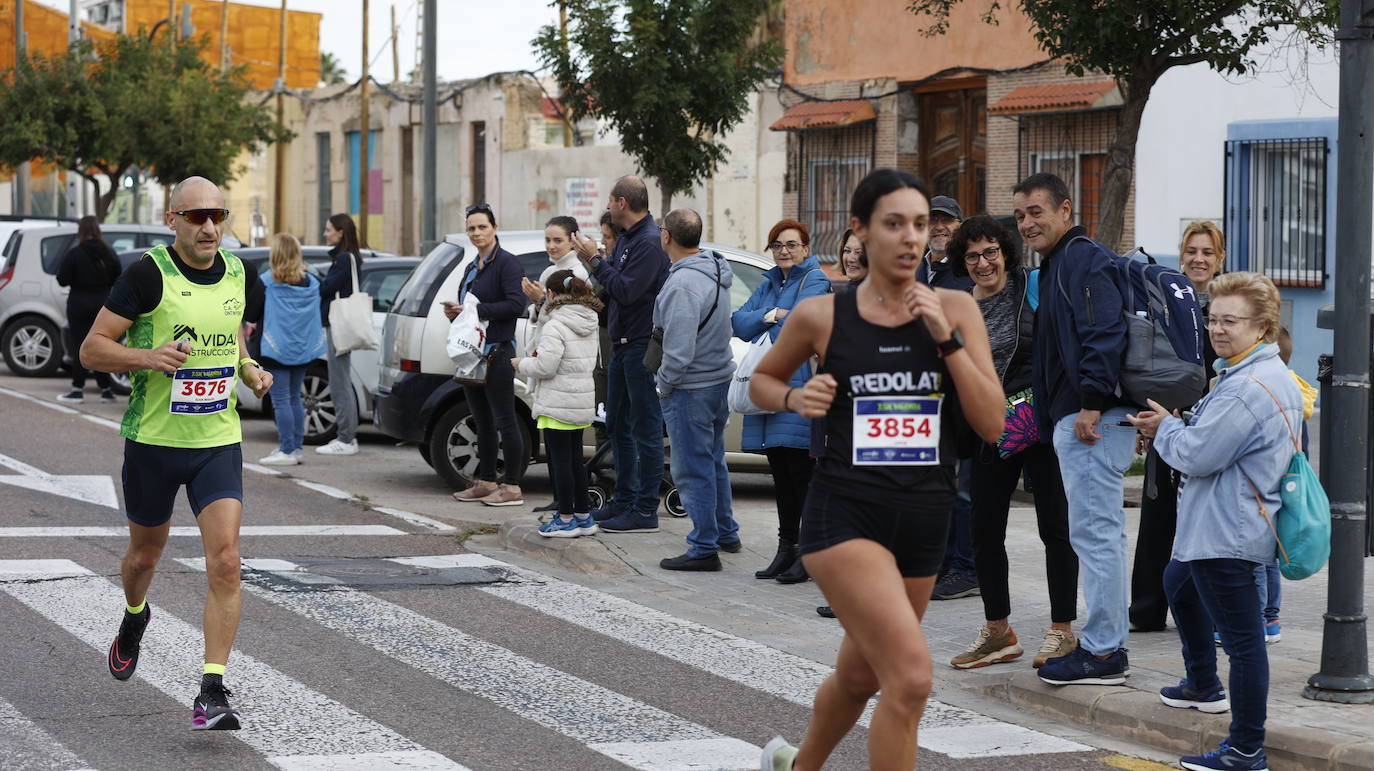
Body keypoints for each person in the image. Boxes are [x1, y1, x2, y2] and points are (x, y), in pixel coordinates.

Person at [753, 169, 1004, 770]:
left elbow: (993, 423)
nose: (912, 237)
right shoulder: (822, 315)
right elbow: (761, 379)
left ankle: (795, 765)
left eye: (921, 224)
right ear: (863, 231)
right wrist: (793, 398)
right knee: (911, 678)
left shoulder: (958, 308)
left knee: (861, 674)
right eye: (895, 223)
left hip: (923, 517)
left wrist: (946, 340)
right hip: (844, 515)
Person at [79, 176, 271, 731]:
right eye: (196, 217)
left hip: (216, 441)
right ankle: (135, 616)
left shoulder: (238, 270)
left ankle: (212, 689)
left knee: (227, 560)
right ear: (173, 220)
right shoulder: (146, 274)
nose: (210, 226)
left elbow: (228, 336)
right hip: (154, 443)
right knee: (144, 557)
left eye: (218, 215)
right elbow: (92, 350)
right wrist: (148, 357)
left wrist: (247, 367)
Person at [1128, 271, 1299, 771]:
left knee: (1245, 646)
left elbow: (1199, 455)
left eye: (1231, 321)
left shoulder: (1249, 385)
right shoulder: (1242, 375)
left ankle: (1246, 748)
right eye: (1212, 318)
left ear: (1263, 328)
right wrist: (1174, 426)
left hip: (1229, 531)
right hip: (1218, 525)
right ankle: (1201, 681)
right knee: (1177, 583)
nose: (1217, 329)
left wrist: (1165, 430)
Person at [942, 215, 1079, 670]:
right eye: (973, 256)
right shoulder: (960, 305)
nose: (983, 263)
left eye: (991, 253)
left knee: (1055, 528)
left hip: (1036, 421)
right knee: (984, 531)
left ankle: (1062, 631)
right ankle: (998, 632)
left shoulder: (1032, 287)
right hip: (987, 427)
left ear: (1006, 252)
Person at [1016, 172, 1136, 687]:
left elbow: (1105, 330)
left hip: (1091, 421)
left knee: (1096, 534)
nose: (1027, 223)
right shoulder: (1060, 264)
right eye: (1020, 215)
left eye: (1037, 212)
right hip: (1078, 419)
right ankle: (1104, 644)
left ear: (1066, 210)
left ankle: (1105, 651)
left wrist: (1090, 403)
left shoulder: (1083, 259)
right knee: (1092, 534)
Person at [1129, 221, 1223, 632]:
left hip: (1216, 426)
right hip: (1169, 421)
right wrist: (1144, 419)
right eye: (1191, 251)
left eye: (1207, 252)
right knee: (1157, 517)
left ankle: (1202, 613)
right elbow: (1148, 359)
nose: (1198, 259)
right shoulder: (1166, 300)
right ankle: (1147, 612)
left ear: (1220, 260)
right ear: (1181, 256)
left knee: (1203, 522)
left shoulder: (1228, 304)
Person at [732, 219, 831, 582]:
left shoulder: (815, 280)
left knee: (802, 477)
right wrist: (773, 314)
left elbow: (800, 327)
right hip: (770, 389)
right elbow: (739, 324)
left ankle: (808, 554)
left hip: (798, 389)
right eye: (777, 245)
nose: (784, 251)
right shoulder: (769, 282)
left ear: (805, 248)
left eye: (791, 245)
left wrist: (771, 320)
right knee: (782, 478)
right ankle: (785, 548)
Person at [575, 176, 671, 533]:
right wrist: (596, 266)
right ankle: (624, 498)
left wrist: (596, 261)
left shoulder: (648, 241)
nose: (609, 207)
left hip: (642, 346)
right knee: (616, 423)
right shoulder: (629, 238)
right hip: (622, 344)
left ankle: (645, 509)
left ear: (620, 203)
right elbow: (611, 290)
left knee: (644, 428)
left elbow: (628, 291)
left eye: (610, 201)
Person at [653, 208, 740, 570]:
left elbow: (678, 349)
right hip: (717, 380)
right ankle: (725, 531)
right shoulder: (714, 270)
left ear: (667, 237)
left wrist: (664, 385)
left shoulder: (683, 284)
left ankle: (704, 547)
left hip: (691, 387)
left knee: (691, 469)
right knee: (712, 460)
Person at [443, 203, 529, 506]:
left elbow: (516, 305)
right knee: (481, 421)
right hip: (472, 356)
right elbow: (470, 311)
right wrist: (457, 313)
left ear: (494, 228)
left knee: (506, 420)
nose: (477, 233)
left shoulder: (507, 263)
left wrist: (474, 310)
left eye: (482, 227)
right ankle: (487, 481)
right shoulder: (471, 266)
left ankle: (513, 487)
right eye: (471, 228)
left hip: (498, 353)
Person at [515, 269, 602, 537]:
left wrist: (522, 364)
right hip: (579, 401)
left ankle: (565, 519)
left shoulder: (555, 324)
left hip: (557, 402)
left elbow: (546, 366)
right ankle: (583, 516)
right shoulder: (589, 319)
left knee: (561, 463)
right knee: (575, 461)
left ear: (551, 295)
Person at [523, 215, 592, 514]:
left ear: (572, 240)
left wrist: (543, 303)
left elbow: (567, 320)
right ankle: (569, 506)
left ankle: (569, 511)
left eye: (558, 240)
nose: (551, 246)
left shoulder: (578, 273)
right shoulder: (551, 269)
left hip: (563, 374)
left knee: (566, 454)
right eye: (547, 240)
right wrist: (539, 306)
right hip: (556, 370)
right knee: (558, 452)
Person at [252, 233, 327, 466]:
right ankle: (295, 448)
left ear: (275, 254)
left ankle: (286, 450)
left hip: (275, 347)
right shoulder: (312, 283)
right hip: (303, 348)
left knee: (281, 400)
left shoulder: (265, 282)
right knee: (295, 398)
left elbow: (252, 314)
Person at [56, 216, 122, 403]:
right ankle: (106, 390)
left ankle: (77, 389)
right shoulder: (108, 252)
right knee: (103, 344)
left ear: (80, 232)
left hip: (78, 302)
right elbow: (118, 275)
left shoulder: (75, 253)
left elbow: (62, 279)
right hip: (103, 302)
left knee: (80, 345)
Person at [316, 213, 364, 456]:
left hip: (339, 325)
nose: (325, 234)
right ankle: (347, 437)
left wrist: (314, 275)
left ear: (340, 232)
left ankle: (346, 438)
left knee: (339, 382)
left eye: (328, 229)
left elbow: (326, 288)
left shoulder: (345, 259)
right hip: (338, 325)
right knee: (340, 380)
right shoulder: (348, 257)